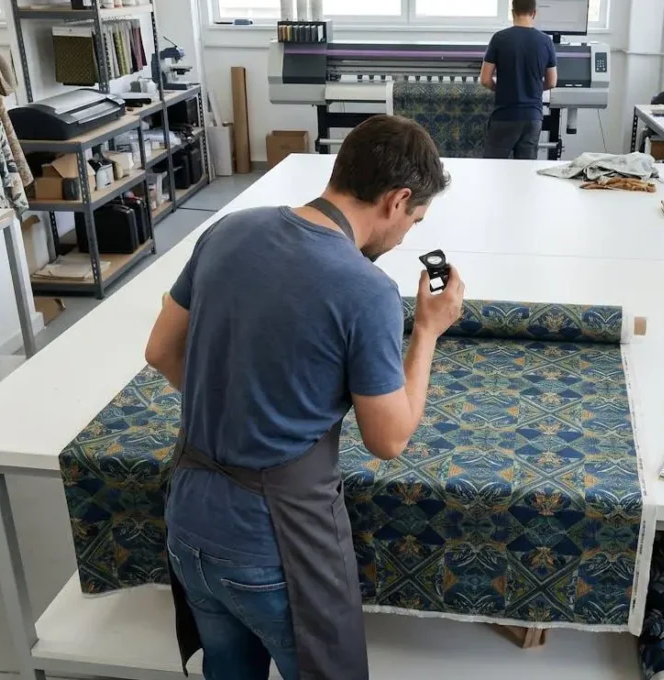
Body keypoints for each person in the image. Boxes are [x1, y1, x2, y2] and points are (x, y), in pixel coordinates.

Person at [143, 114, 466, 680]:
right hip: (272, 543)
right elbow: (389, 438)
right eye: (415, 219)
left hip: (189, 518)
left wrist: (241, 405)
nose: (407, 234)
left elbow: (161, 350)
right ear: (397, 200)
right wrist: (428, 332)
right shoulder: (365, 291)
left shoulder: (229, 229)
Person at [480, 0, 558, 160]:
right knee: (525, 172)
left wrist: (500, 88)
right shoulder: (546, 41)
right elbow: (552, 82)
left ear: (512, 12)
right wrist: (533, 89)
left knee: (493, 169)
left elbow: (485, 79)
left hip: (504, 115)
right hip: (532, 117)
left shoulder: (499, 38)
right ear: (534, 13)